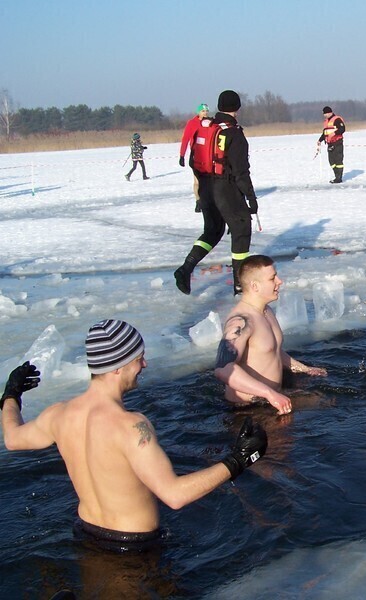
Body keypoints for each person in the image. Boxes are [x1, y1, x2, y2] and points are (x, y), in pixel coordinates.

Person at [1, 320, 267, 548]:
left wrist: (11, 394)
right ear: (117, 366)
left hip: (86, 536)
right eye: (138, 358)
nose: (145, 364)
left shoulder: (58, 414)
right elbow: (175, 495)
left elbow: (12, 438)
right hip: (135, 549)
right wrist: (240, 459)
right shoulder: (130, 426)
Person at [215, 255, 327, 413]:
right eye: (272, 278)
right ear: (255, 286)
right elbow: (223, 369)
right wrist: (269, 393)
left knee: (328, 402)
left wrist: (304, 369)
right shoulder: (241, 321)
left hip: (272, 399)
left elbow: (271, 350)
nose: (279, 281)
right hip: (248, 408)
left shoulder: (266, 311)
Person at [173, 90, 258, 296]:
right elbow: (240, 171)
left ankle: (185, 268)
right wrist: (251, 197)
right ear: (237, 107)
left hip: (206, 187)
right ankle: (240, 285)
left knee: (213, 231)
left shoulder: (207, 127)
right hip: (225, 188)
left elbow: (195, 160)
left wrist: (203, 187)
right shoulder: (233, 132)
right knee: (241, 229)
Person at [179, 103, 210, 212]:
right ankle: (198, 201)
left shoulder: (210, 122)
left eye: (206, 111)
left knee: (208, 181)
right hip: (196, 155)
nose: (205, 113)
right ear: (198, 112)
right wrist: (182, 155)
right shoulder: (192, 123)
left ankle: (208, 200)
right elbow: (185, 139)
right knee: (197, 181)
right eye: (203, 111)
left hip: (208, 156)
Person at [317, 106, 345, 184]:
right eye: (324, 114)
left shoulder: (337, 119)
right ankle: (336, 176)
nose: (324, 115)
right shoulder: (326, 122)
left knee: (338, 160)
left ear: (329, 112)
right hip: (329, 143)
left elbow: (342, 129)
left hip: (337, 142)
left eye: (325, 113)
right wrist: (320, 140)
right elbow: (325, 133)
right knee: (331, 161)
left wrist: (334, 133)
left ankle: (339, 178)